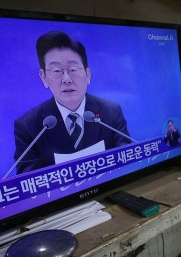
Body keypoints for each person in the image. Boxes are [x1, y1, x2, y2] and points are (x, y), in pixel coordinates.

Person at [12, 31, 132, 174]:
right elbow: (30, 181)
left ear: (88, 75)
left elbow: (128, 161)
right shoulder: (28, 126)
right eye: (56, 71)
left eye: (73, 69)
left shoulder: (111, 112)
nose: (66, 79)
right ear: (44, 77)